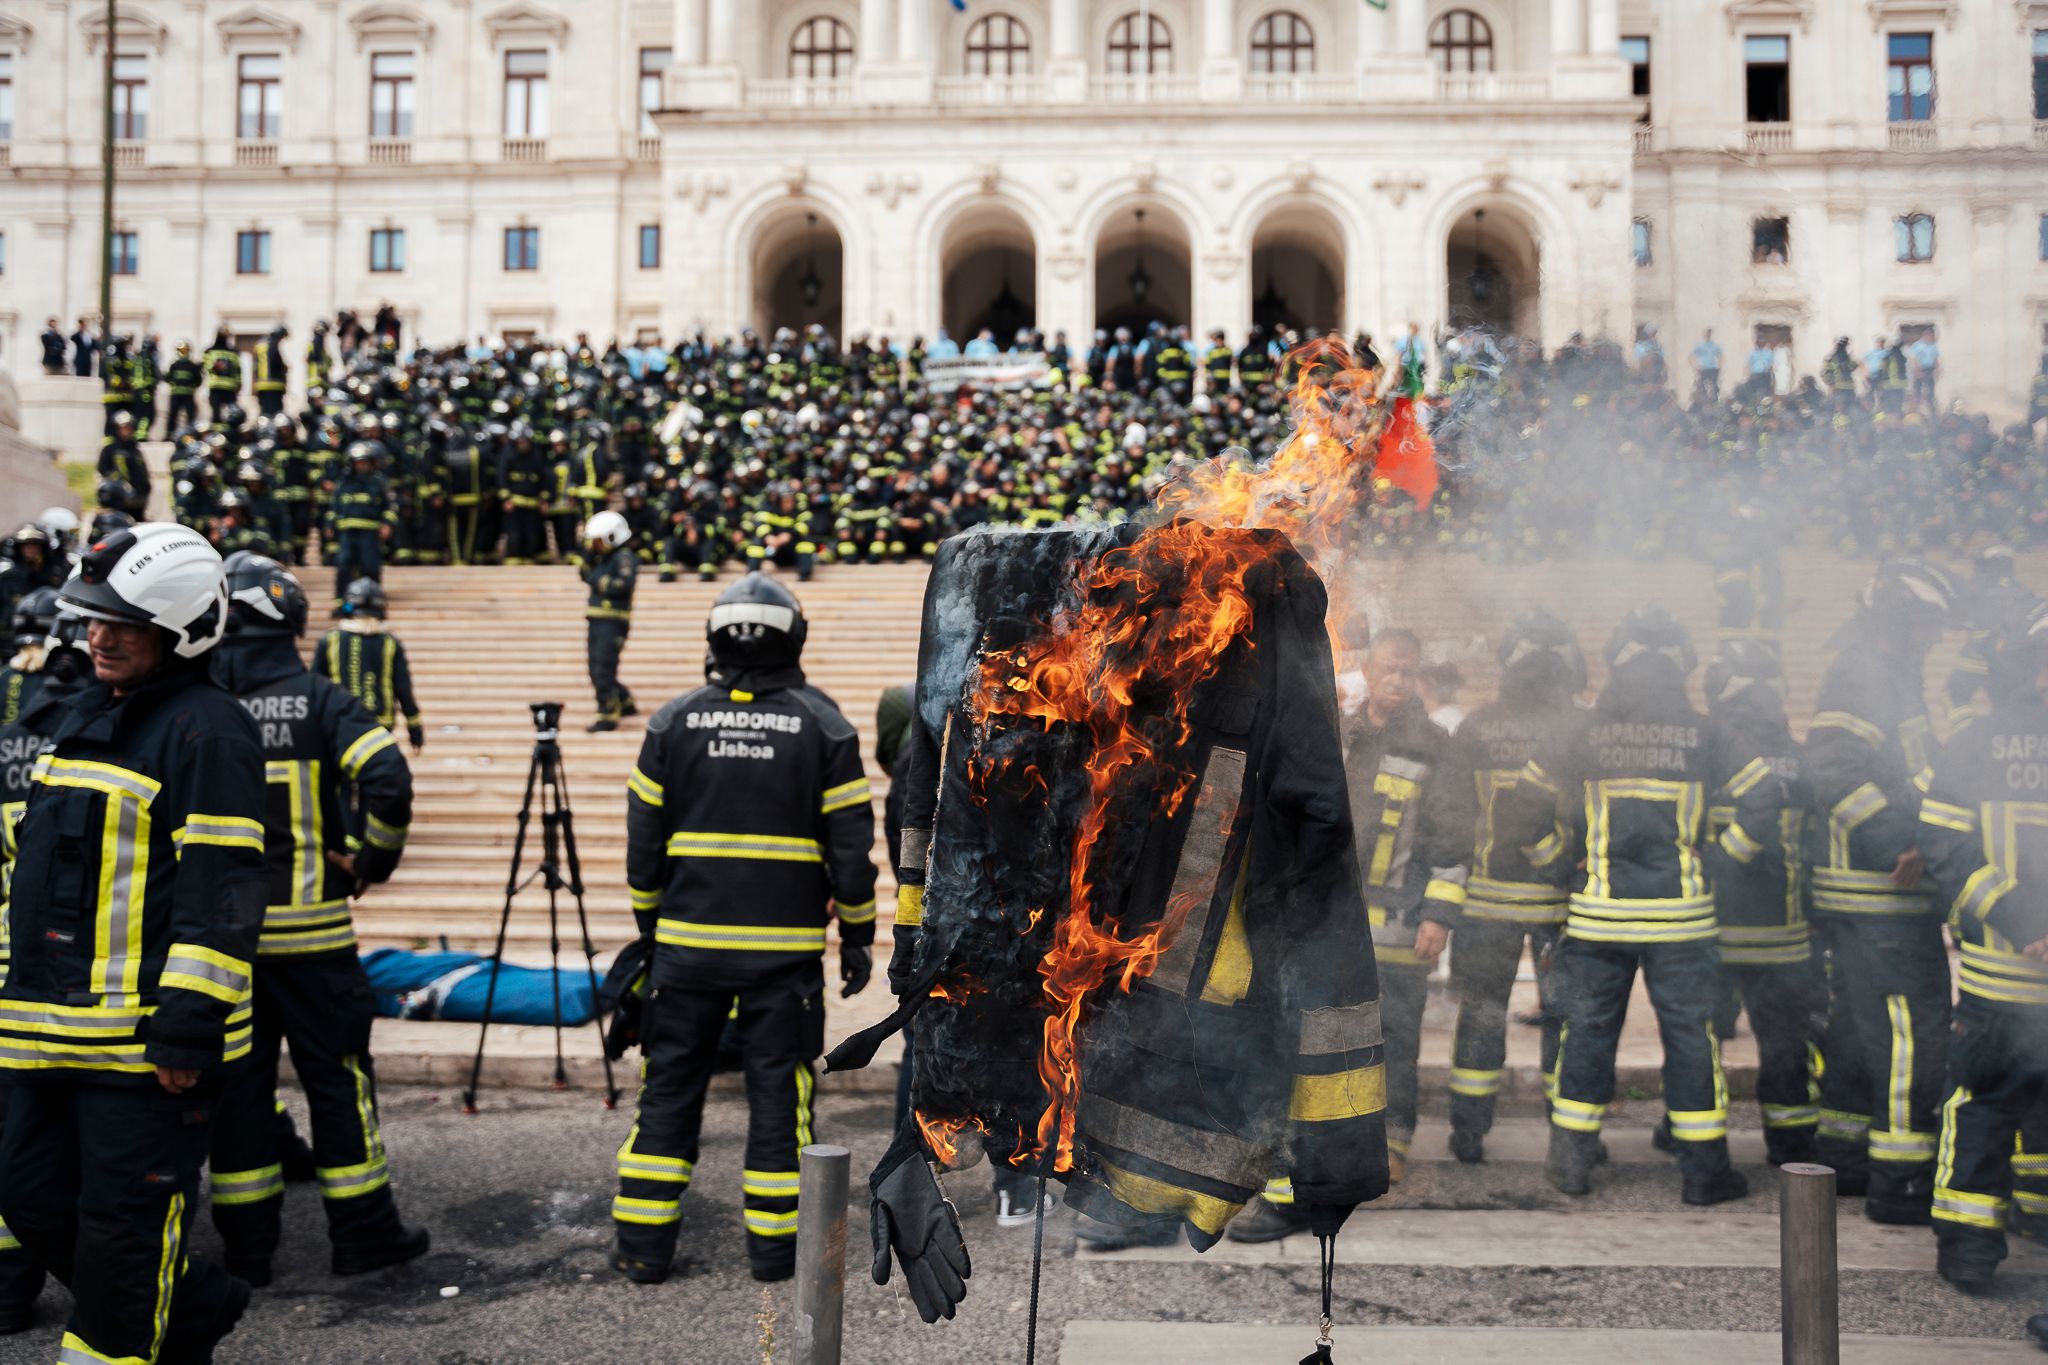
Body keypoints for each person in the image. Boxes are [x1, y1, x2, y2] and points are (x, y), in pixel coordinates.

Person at [0, 523, 265, 1364]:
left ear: (181, 629)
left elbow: (220, 892)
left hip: (141, 1053)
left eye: (123, 622)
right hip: (39, 1036)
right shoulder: (85, 714)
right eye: (91, 617)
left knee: (119, 1250)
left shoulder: (208, 729)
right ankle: (191, 1308)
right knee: (26, 1195)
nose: (99, 635)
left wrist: (187, 1027)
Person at [613, 572, 877, 1284]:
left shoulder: (672, 722)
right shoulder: (824, 725)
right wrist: (857, 934)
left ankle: (642, 1246)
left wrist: (652, 929)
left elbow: (643, 848)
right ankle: (774, 1254)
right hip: (784, 962)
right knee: (778, 1100)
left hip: (684, 954)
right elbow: (852, 853)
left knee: (667, 1090)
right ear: (794, 636)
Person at [205, 552, 427, 1287]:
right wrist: (371, 861)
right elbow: (387, 778)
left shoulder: (193, 702)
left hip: (218, 949)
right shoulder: (318, 699)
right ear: (291, 623)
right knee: (337, 1082)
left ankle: (246, 1254)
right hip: (314, 938)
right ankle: (363, 1235)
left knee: (239, 1092)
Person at [1230, 627, 1470, 1241]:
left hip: (1398, 930)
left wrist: (1439, 915)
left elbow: (1451, 838)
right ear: (1369, 666)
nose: (1396, 678)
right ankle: (1320, 1165)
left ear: (1416, 674)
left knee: (1397, 1039)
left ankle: (1391, 1147)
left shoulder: (1434, 746)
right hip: (1326, 927)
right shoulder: (1342, 731)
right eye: (1387, 667)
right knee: (1320, 1048)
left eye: (1406, 669)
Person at [1517, 606, 1748, 1206]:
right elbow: (1765, 798)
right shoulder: (1705, 733)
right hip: (1683, 920)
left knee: (1588, 1034)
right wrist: (1721, 860)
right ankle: (1703, 1173)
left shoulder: (1583, 733)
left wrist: (1555, 862)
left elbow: (1521, 805)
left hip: (1598, 918)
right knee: (1693, 1040)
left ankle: (1571, 1161)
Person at [1807, 558, 1955, 1223]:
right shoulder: (1863, 674)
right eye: (1924, 622)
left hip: (1873, 896)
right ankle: (1900, 1181)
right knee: (1907, 1031)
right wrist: (1899, 838)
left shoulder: (1890, 673)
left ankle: (1844, 1157)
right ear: (1896, 619)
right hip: (1880, 891)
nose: (1932, 635)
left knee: (1857, 1028)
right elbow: (1833, 770)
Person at [1916, 601, 2048, 1293]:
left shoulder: (1972, 742)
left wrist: (2021, 918)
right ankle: (1977, 1245)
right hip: (2006, 983)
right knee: (1990, 1103)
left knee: (1983, 1107)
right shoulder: (1974, 741)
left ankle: (1970, 1249)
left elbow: (1943, 848)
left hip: (2000, 974)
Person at [1440, 611, 1584, 1164]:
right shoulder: (1575, 728)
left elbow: (1450, 814)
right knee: (1562, 1017)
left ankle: (1468, 1131)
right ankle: (1567, 1133)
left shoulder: (1476, 726)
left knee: (1479, 1013)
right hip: (1558, 903)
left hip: (1485, 903)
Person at [0, 597, 92, 1335]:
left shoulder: (10, 741)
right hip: (78, 974)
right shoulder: (99, 743)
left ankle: (6, 1291)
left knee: (15, 1138)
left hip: (13, 970)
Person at [1699, 639, 1821, 1165]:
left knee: (1699, 1041)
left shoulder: (1708, 755)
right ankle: (1791, 1143)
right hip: (1785, 935)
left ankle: (1690, 1135)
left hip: (1711, 931)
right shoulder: (1798, 758)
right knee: (1784, 1044)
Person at [314, 577, 424, 752]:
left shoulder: (330, 640)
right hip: (379, 727)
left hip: (339, 723)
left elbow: (316, 686)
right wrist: (414, 727)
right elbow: (403, 688)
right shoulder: (389, 642)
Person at [582, 510, 638, 733]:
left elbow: (621, 586)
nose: (595, 546)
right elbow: (583, 573)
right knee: (596, 668)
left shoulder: (623, 557)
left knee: (603, 669)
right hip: (596, 619)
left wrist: (597, 578)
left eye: (598, 541)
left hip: (613, 621)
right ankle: (625, 702)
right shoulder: (601, 559)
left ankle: (607, 714)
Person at [328, 442, 393, 602]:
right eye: (358, 462)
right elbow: (334, 507)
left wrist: (386, 524)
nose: (362, 466)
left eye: (365, 462)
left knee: (370, 566)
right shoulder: (343, 483)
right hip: (347, 533)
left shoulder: (378, 483)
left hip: (370, 532)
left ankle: (373, 600)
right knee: (344, 566)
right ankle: (341, 602)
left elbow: (389, 506)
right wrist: (329, 525)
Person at [205, 328, 244, 424]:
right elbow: (206, 365)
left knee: (233, 413)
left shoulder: (233, 352)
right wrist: (214, 366)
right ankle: (216, 435)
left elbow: (237, 370)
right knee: (216, 413)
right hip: (216, 386)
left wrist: (239, 383)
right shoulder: (210, 351)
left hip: (229, 387)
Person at [165, 340, 204, 432]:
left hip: (188, 395)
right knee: (173, 415)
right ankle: (170, 433)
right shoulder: (174, 366)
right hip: (176, 395)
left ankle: (192, 433)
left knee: (191, 415)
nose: (183, 353)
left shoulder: (192, 366)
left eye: (185, 351)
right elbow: (168, 378)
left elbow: (198, 380)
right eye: (181, 351)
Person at [252, 326, 289, 418]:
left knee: (264, 411)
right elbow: (274, 360)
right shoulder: (273, 343)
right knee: (275, 413)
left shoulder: (260, 344)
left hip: (261, 383)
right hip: (274, 384)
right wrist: (283, 368)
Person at [1691, 329, 1722, 405]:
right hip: (1703, 369)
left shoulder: (1715, 345)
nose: (1707, 335)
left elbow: (1721, 357)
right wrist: (1696, 367)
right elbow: (1691, 357)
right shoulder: (1699, 345)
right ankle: (1701, 404)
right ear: (1704, 335)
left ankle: (1715, 403)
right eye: (1706, 334)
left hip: (1713, 369)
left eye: (1709, 334)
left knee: (1714, 388)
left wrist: (1719, 367)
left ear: (1710, 335)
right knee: (1701, 387)